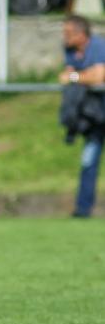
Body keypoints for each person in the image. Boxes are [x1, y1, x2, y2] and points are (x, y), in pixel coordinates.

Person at [58, 14, 105, 217]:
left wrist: (76, 76)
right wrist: (82, 76)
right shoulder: (70, 50)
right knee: (88, 160)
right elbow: (67, 75)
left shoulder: (98, 47)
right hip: (94, 115)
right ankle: (83, 208)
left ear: (81, 34)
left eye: (68, 33)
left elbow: (99, 77)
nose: (65, 37)